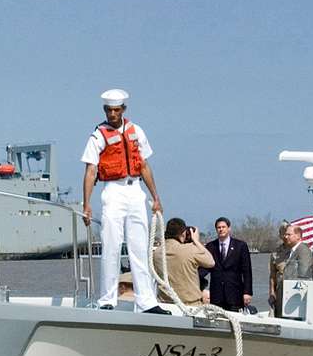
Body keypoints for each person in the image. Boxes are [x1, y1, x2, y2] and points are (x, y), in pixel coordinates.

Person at [82, 89, 169, 314]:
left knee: (140, 247)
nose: (112, 114)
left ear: (123, 110)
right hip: (112, 191)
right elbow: (91, 170)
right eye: (109, 110)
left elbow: (144, 166)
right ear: (104, 110)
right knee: (111, 245)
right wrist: (86, 204)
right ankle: (107, 300)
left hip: (135, 191)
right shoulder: (98, 135)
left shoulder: (136, 131)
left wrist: (155, 197)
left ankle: (147, 301)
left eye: (116, 110)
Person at [153, 218, 214, 306]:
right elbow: (210, 262)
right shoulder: (189, 250)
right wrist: (196, 241)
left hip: (166, 303)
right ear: (183, 233)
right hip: (190, 304)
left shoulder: (157, 252)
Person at [201, 217, 253, 312]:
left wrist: (247, 292)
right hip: (217, 295)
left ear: (229, 228)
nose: (221, 229)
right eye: (218, 227)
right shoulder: (210, 246)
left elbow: (247, 271)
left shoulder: (240, 246)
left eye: (223, 227)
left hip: (235, 294)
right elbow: (204, 269)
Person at [272, 224, 313, 314]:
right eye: (285, 234)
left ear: (298, 236)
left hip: (296, 298)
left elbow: (304, 276)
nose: (285, 237)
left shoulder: (303, 251)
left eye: (288, 234)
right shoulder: (293, 251)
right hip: (286, 295)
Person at [267, 221, 291, 316]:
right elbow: (272, 276)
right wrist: (272, 293)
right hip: (281, 290)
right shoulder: (275, 254)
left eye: (288, 234)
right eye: (283, 233)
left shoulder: (300, 250)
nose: (285, 236)